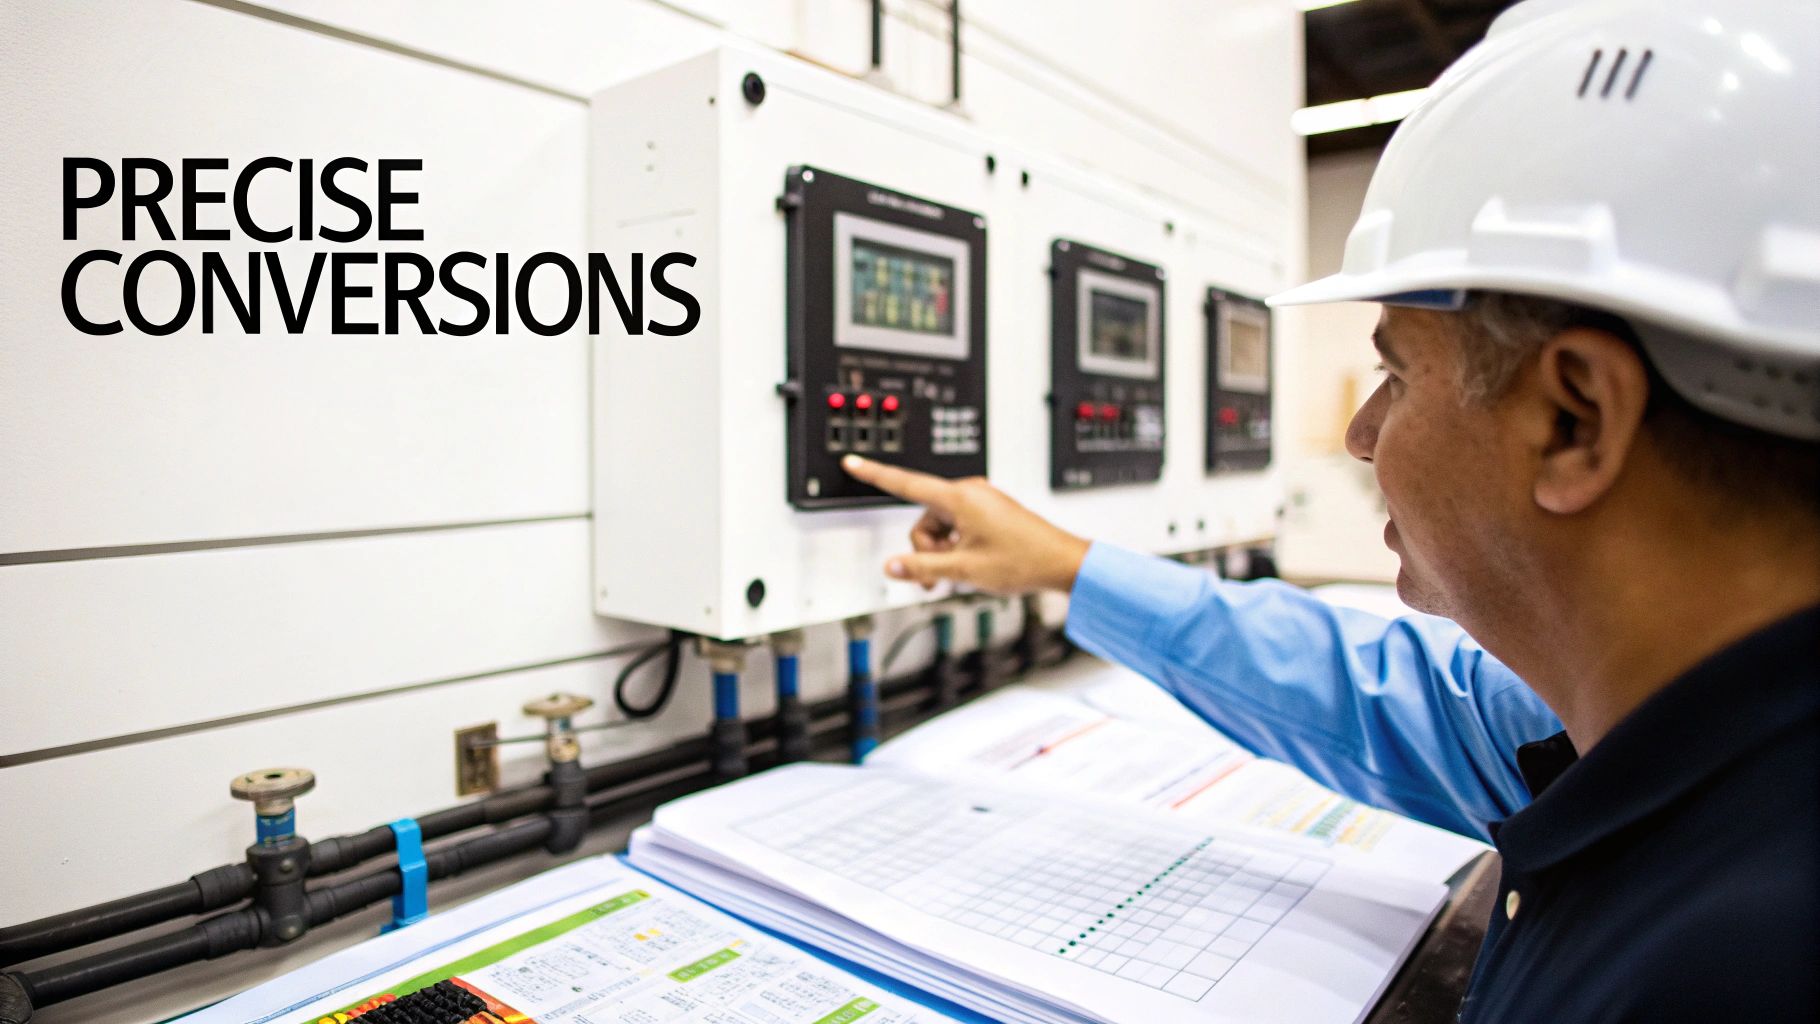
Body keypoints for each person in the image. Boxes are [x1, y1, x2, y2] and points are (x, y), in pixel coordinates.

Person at [843, 0, 1819, 1019]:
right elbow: (1378, 692)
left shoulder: (1737, 963)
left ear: (1573, 419)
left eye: (1393, 373)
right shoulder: (1632, 724)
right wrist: (1066, 565)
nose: (1359, 434)